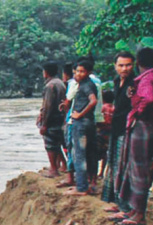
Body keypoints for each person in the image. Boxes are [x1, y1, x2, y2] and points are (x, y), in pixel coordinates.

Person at [116, 47, 153, 225]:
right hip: (144, 127)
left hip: (143, 127)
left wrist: (137, 110)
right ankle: (133, 209)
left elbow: (148, 99)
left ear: (138, 63)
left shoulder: (147, 79)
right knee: (134, 168)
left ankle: (139, 214)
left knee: (139, 169)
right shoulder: (145, 79)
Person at [104, 51, 137, 210]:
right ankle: (116, 200)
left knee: (124, 167)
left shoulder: (135, 83)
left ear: (134, 65)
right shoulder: (117, 82)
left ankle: (125, 205)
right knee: (114, 163)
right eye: (121, 65)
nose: (125, 68)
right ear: (115, 66)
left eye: (128, 65)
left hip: (129, 129)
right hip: (116, 127)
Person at [65, 60, 98, 196]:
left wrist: (79, 114)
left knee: (79, 155)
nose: (77, 74)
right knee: (89, 154)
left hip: (81, 123)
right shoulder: (88, 84)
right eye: (77, 71)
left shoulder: (86, 86)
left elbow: (93, 101)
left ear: (89, 72)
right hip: (89, 122)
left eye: (81, 71)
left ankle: (82, 187)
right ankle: (88, 184)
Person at [37, 61, 66, 178]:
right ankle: (62, 165)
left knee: (50, 144)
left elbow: (48, 106)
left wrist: (44, 123)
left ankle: (54, 169)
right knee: (57, 143)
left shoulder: (50, 86)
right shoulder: (60, 83)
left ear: (46, 72)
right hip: (60, 118)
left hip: (52, 119)